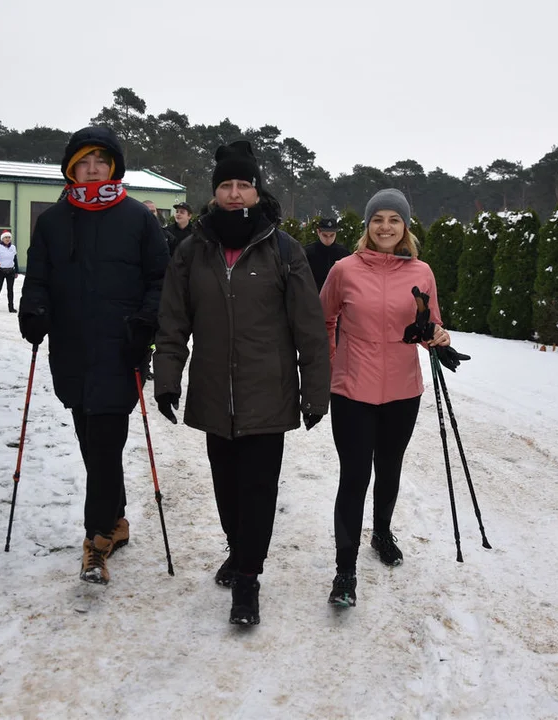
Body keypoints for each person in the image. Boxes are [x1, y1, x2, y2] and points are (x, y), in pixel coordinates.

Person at [153, 140, 330, 626]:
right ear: (214, 193)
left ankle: (249, 579)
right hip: (214, 393)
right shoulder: (193, 251)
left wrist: (315, 392)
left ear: (256, 191)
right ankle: (238, 548)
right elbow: (173, 320)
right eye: (226, 186)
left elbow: (309, 327)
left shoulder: (283, 249)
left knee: (258, 490)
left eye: (243, 185)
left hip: (267, 395)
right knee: (226, 490)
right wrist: (167, 378)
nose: (235, 194)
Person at [18, 126, 170, 585]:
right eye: (83, 162)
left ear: (114, 168)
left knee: (103, 445)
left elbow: (160, 280)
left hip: (120, 349)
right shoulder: (52, 221)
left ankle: (96, 540)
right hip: (71, 349)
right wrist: (34, 307)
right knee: (93, 445)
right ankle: (117, 520)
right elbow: (38, 276)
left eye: (100, 162)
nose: (92, 169)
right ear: (71, 168)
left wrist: (146, 320)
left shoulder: (138, 219)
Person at [319, 188, 465, 609]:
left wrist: (438, 336)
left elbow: (429, 323)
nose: (385, 226)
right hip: (352, 390)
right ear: (367, 226)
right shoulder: (344, 270)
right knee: (354, 477)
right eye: (378, 219)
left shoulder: (422, 271)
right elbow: (324, 318)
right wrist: (334, 360)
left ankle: (381, 532)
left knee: (389, 467)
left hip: (403, 391)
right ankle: (344, 570)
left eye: (394, 219)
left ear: (405, 227)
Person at [304, 216, 350, 292]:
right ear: (318, 232)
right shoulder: (307, 253)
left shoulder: (344, 254)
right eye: (325, 235)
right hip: (314, 298)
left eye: (332, 235)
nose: (328, 239)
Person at [0, 230, 19, 312]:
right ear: (2, 239)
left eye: (9, 237)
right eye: (6, 237)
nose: (7, 239)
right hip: (0, 271)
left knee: (10, 289)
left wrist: (17, 271)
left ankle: (11, 307)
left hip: (11, 271)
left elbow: (15, 259)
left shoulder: (13, 247)